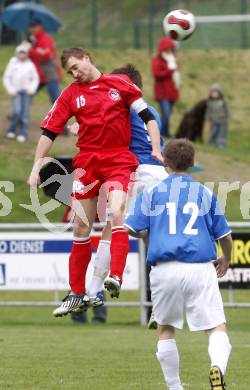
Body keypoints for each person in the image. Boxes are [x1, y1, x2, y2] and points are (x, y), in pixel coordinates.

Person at [27, 48, 163, 317]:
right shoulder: (69, 94)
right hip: (87, 162)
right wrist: (35, 167)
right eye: (70, 71)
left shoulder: (120, 84)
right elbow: (49, 132)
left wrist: (157, 148)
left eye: (77, 66)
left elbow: (148, 117)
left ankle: (115, 277)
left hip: (118, 160)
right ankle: (77, 293)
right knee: (80, 226)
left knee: (116, 214)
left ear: (87, 58)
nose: (75, 73)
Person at [124, 139, 232, 390]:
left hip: (164, 269)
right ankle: (217, 367)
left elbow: (131, 228)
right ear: (192, 164)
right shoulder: (205, 193)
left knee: (165, 329)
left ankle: (174, 386)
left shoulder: (151, 193)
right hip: (199, 267)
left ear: (164, 162)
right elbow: (224, 236)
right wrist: (226, 258)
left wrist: (147, 234)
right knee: (216, 326)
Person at [69, 65, 168, 320]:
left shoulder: (121, 104)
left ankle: (92, 289)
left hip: (138, 171)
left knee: (113, 226)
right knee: (159, 242)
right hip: (161, 176)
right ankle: (161, 308)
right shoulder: (151, 111)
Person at [23, 19, 68, 135]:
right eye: (31, 26)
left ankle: (63, 128)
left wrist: (31, 49)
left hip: (49, 73)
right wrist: (27, 45)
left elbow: (46, 55)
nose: (32, 29)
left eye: (34, 26)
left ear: (40, 26)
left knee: (56, 101)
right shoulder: (32, 39)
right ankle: (17, 116)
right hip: (37, 74)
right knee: (26, 95)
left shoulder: (46, 38)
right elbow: (25, 55)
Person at [3, 44, 39, 142]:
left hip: (27, 92)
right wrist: (11, 89)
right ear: (17, 53)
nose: (22, 55)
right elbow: (6, 77)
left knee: (25, 114)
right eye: (20, 53)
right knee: (17, 111)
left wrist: (32, 89)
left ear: (27, 54)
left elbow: (35, 78)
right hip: (16, 92)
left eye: (24, 53)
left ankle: (23, 133)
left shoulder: (30, 64)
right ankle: (12, 130)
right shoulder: (12, 63)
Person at [151, 37, 180, 138]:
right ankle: (161, 133)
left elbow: (176, 78)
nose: (169, 50)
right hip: (162, 93)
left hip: (172, 92)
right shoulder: (157, 61)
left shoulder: (173, 59)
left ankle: (165, 133)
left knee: (167, 115)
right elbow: (156, 74)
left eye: (170, 48)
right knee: (166, 113)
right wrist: (170, 70)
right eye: (167, 48)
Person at [206, 84, 230, 148]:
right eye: (213, 92)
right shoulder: (210, 102)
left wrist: (227, 116)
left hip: (222, 121)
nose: (214, 94)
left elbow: (227, 110)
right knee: (214, 132)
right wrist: (208, 117)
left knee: (222, 133)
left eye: (216, 92)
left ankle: (221, 144)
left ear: (219, 93)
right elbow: (208, 111)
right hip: (214, 120)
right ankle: (212, 142)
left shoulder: (223, 101)